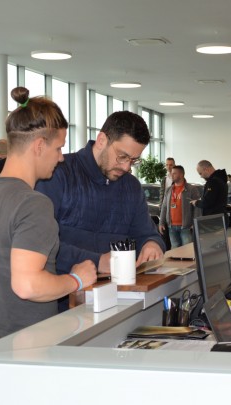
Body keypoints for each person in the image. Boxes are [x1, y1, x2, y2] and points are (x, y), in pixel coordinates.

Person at [0, 88, 96, 353]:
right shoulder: (34, 204)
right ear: (39, 145)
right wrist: (77, 279)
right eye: (58, 148)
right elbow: (28, 285)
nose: (61, 157)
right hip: (22, 353)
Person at [35, 110, 165, 286]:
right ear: (102, 140)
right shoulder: (58, 174)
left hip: (118, 294)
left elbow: (147, 233)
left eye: (134, 160)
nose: (126, 167)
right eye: (122, 156)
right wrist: (98, 261)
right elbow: (41, 245)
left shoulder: (131, 186)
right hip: (63, 293)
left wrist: (152, 244)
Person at [159, 164, 200, 247]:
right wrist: (161, 222)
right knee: (175, 250)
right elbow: (164, 207)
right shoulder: (169, 190)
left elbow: (197, 207)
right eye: (171, 173)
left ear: (181, 174)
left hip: (186, 227)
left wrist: (195, 222)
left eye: (174, 173)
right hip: (171, 227)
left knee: (187, 250)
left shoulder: (191, 189)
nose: (171, 175)